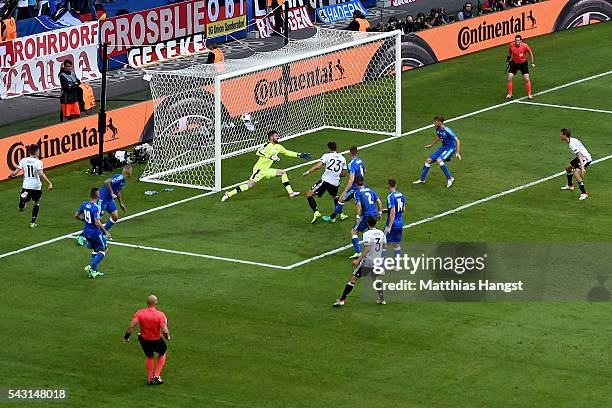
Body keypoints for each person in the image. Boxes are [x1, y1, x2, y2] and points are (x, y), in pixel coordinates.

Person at [222, 131, 310, 201]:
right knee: (250, 185)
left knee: (283, 173)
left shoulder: (278, 147)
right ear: (271, 137)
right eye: (276, 136)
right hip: (259, 170)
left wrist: (300, 155)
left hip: (266, 169)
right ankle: (229, 194)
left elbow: (287, 152)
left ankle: (291, 193)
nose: (278, 137)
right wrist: (270, 156)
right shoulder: (267, 145)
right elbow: (258, 152)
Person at [333, 216, 386, 307]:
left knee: (353, 279)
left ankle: (342, 300)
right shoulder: (381, 233)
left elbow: (367, 248)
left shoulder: (367, 234)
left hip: (367, 262)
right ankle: (382, 299)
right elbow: (385, 246)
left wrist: (358, 260)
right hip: (377, 261)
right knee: (375, 279)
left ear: (367, 224)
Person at [123, 295, 171, 385]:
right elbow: (165, 330)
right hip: (156, 340)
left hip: (144, 340)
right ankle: (156, 376)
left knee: (150, 356)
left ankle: (150, 379)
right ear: (156, 303)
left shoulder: (139, 313)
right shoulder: (160, 315)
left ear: (147, 303)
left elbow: (131, 326)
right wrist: (167, 336)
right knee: (163, 353)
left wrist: (126, 337)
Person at [302, 141, 347, 224]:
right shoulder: (342, 158)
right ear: (336, 148)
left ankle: (316, 212)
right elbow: (344, 174)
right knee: (335, 196)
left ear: (329, 148)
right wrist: (335, 175)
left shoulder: (327, 156)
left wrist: (307, 172)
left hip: (325, 181)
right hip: (335, 182)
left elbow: (318, 166)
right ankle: (341, 214)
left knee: (309, 194)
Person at [9, 144, 53, 227]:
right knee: (36, 202)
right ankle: (32, 222)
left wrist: (11, 174)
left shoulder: (23, 160)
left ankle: (23, 202)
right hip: (36, 186)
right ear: (36, 152)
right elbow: (41, 174)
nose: (39, 152)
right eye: (38, 151)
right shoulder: (39, 162)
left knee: (21, 208)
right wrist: (49, 183)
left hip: (26, 185)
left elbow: (15, 173)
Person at [413, 116, 462, 188]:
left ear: (440, 122)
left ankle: (450, 178)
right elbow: (439, 136)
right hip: (443, 147)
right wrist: (431, 144)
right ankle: (422, 179)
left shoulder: (447, 130)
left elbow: (457, 140)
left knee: (439, 160)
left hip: (450, 148)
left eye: (435, 122)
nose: (434, 123)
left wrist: (457, 152)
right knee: (428, 160)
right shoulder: (437, 129)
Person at [323, 145, 365, 223]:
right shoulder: (360, 160)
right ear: (357, 152)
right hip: (363, 185)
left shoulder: (351, 164)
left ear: (350, 153)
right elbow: (365, 170)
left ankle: (332, 217)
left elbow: (351, 179)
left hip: (355, 187)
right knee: (362, 202)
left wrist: (345, 191)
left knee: (341, 199)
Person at [75, 188, 110, 278]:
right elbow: (97, 222)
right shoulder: (96, 208)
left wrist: (86, 221)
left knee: (95, 250)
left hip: (86, 231)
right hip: (95, 232)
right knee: (104, 249)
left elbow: (76, 215)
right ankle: (91, 267)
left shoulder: (84, 204)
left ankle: (93, 272)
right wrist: (105, 232)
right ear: (98, 196)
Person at [349, 176, 382, 259]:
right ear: (363, 182)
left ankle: (358, 252)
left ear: (355, 183)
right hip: (374, 214)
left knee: (354, 231)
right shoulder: (371, 190)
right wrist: (380, 212)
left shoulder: (357, 192)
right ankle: (375, 250)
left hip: (366, 215)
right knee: (370, 231)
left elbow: (359, 204)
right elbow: (379, 201)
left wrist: (357, 216)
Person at [560, 128, 592, 200]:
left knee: (576, 173)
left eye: (561, 134)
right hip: (581, 157)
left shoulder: (571, 144)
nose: (560, 136)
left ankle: (584, 193)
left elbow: (580, 155)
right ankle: (570, 185)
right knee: (568, 167)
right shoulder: (572, 140)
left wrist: (582, 167)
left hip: (585, 158)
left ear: (565, 135)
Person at [382, 179, 405, 267]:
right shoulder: (402, 195)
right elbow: (403, 210)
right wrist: (387, 210)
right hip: (400, 223)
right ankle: (397, 266)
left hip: (392, 224)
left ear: (388, 185)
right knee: (397, 244)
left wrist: (389, 227)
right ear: (395, 185)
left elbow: (393, 213)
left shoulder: (390, 196)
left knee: (383, 245)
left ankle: (381, 268)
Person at [506, 34, 535, 99]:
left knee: (527, 79)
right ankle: (510, 94)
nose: (517, 42)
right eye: (516, 40)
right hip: (514, 64)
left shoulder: (525, 46)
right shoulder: (511, 45)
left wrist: (532, 62)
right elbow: (509, 53)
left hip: (523, 64)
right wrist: (508, 61)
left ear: (521, 41)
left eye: (518, 40)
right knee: (509, 78)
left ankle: (529, 95)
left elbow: (530, 53)